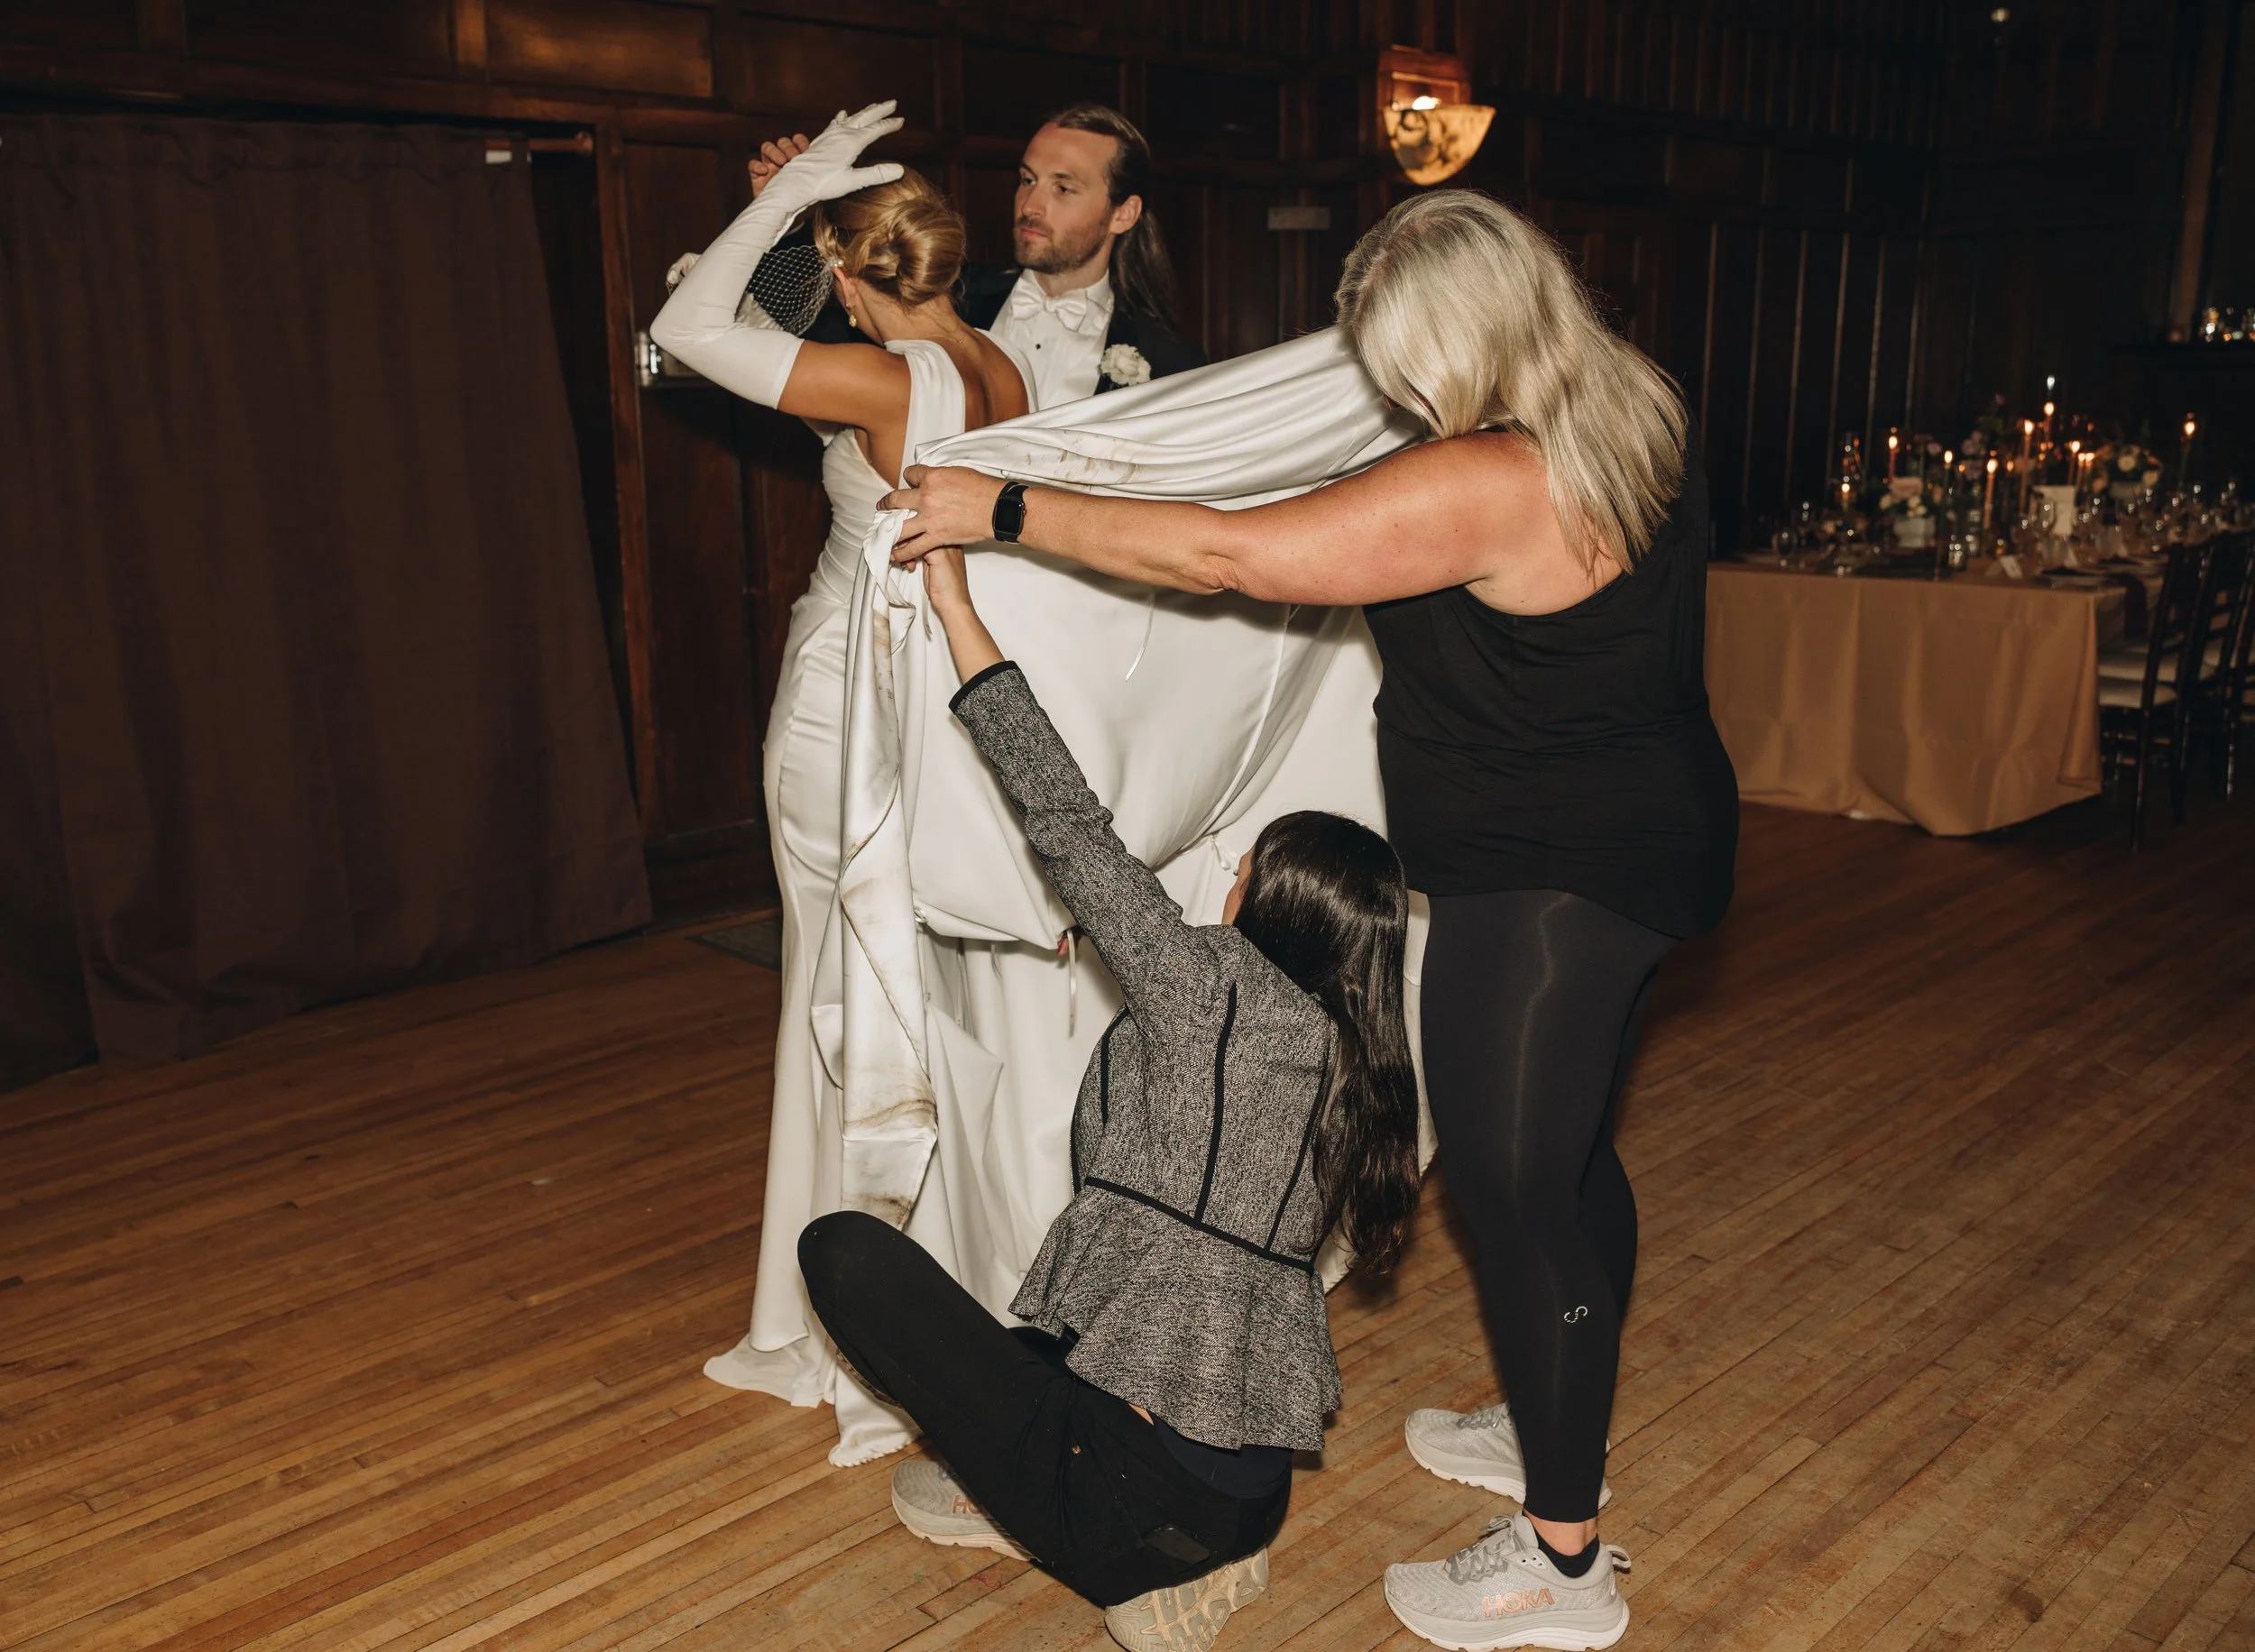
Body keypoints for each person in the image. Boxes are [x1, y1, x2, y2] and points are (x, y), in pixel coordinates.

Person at [883, 188, 1738, 1651]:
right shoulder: (1632, 408)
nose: (1387, 383)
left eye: (1399, 353)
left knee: (1515, 1193)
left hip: (1540, 890)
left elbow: (1235, 558)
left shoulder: (1495, 476)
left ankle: (1563, 1560)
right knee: (1573, 1157)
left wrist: (1003, 507)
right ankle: (1554, 1418)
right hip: (1659, 836)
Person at [797, 535, 1421, 1652]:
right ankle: (1168, 1532)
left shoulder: (1206, 986)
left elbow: (1063, 812)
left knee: (843, 1250)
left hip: (1127, 1504)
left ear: (1273, 899)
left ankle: (1117, 1564)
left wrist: (956, 609)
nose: (1226, 874)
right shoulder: (1355, 1061)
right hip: (1250, 1486)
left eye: (1245, 865)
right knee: (1021, 1335)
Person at [649, 102, 1038, 1463]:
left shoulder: (884, 384)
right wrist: (816, 215)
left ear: (863, 275)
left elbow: (687, 335)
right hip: (944, 696)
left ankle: (831, 1329)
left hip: (842, 714)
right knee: (903, 992)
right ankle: (886, 1293)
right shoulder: (997, 369)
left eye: (838, 273)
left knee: (833, 995)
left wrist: (779, 206)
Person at [753, 102, 1202, 408]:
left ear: (1123, 214)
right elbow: (799, 331)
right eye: (1028, 180)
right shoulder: (938, 291)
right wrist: (786, 214)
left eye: (1063, 188)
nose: (1030, 206)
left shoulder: (1168, 360)